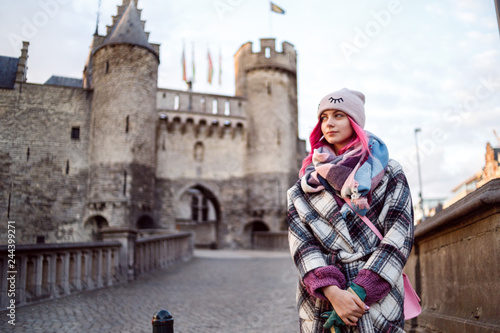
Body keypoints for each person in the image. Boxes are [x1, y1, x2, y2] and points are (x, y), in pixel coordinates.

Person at [287, 88, 414, 333]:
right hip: (322, 300)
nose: (329, 123)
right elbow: (302, 245)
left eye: (338, 115)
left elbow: (400, 234)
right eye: (323, 117)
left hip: (377, 297)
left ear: (354, 121)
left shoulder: (389, 172)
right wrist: (333, 293)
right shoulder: (302, 186)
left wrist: (360, 289)